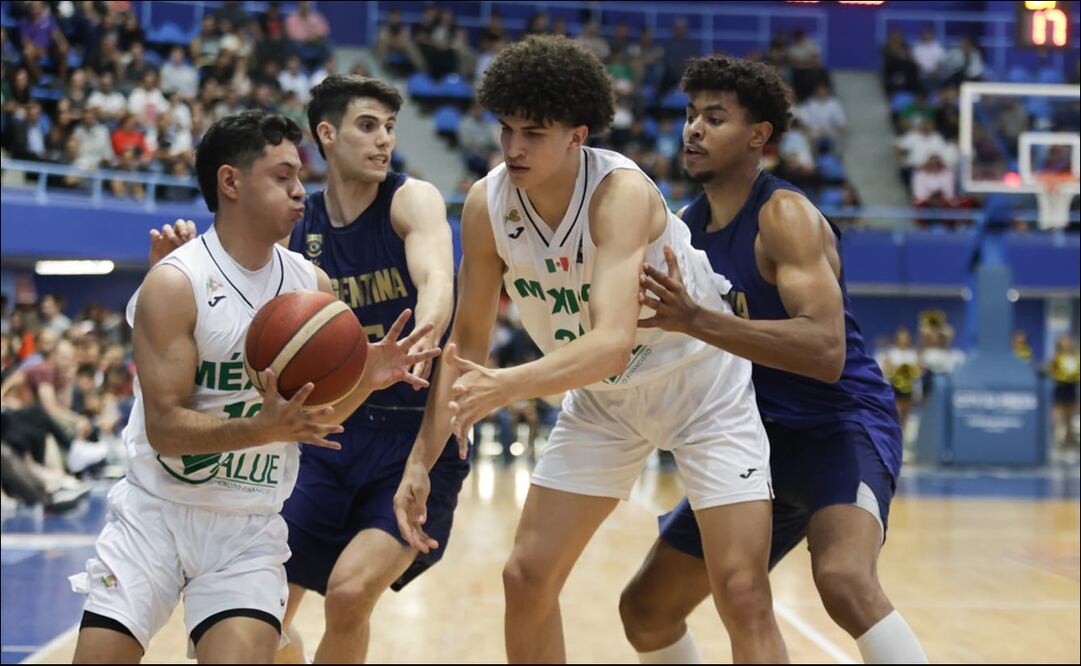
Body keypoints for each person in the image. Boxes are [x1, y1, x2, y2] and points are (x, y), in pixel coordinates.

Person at [393, 36, 787, 663]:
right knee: (525, 578)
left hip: (700, 389)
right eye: (506, 130)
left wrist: (506, 386)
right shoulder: (485, 204)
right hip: (605, 403)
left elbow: (609, 343)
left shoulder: (619, 194)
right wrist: (421, 461)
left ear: (577, 136)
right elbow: (466, 348)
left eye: (534, 133)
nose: (514, 147)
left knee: (742, 590)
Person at [69, 110, 437, 664]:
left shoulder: (312, 286)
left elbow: (319, 414)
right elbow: (165, 429)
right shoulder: (175, 282)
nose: (300, 193)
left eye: (300, 178)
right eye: (283, 177)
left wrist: (369, 376)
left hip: (248, 524)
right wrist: (262, 428)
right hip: (154, 514)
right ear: (231, 181)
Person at [147, 76, 466, 665]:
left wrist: (424, 335)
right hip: (326, 432)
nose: (384, 141)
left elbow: (437, 279)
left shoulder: (409, 198)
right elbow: (238, 310)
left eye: (390, 128)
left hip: (411, 430)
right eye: (368, 125)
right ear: (327, 133)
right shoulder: (299, 221)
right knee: (262, 614)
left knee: (348, 595)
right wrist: (178, 278)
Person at [619, 55, 927, 664]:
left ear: (758, 135)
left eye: (715, 117)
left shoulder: (784, 216)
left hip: (837, 426)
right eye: (689, 116)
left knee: (843, 580)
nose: (693, 130)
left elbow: (825, 350)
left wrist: (700, 319)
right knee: (646, 611)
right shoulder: (685, 227)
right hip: (750, 441)